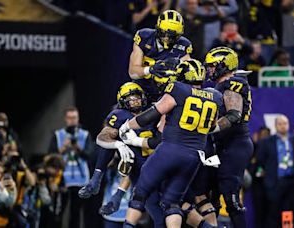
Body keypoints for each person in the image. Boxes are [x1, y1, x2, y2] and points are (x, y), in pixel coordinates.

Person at [119, 59, 222, 228]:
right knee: (171, 203)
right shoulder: (214, 96)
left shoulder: (178, 89)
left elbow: (151, 115)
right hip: (194, 157)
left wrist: (127, 125)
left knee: (140, 193)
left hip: (170, 150)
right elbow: (212, 126)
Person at [78, 82, 165, 227]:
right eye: (131, 98)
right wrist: (118, 144)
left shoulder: (152, 112)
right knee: (159, 214)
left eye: (137, 97)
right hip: (140, 170)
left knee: (171, 211)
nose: (136, 101)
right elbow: (103, 139)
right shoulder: (119, 116)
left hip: (158, 161)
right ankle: (96, 179)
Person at [205, 46, 254, 228]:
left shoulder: (232, 83)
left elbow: (233, 116)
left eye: (212, 65)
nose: (209, 69)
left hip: (235, 143)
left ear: (224, 65)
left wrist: (208, 129)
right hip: (225, 144)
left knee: (230, 198)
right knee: (212, 195)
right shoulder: (223, 83)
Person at [128, 9, 192, 102]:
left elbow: (189, 75)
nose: (166, 38)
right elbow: (132, 73)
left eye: (172, 36)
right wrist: (150, 69)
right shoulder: (144, 37)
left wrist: (180, 65)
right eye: (163, 33)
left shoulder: (183, 45)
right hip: (142, 87)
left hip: (165, 92)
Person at [48, 107, 94, 228]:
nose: (73, 121)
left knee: (76, 213)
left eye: (75, 118)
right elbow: (49, 157)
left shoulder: (85, 135)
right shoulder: (58, 135)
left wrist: (77, 147)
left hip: (80, 180)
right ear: (65, 119)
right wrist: (63, 148)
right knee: (58, 212)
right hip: (61, 179)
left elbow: (90, 155)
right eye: (70, 118)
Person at [256, 115, 294, 227]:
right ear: (275, 126)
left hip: (292, 182)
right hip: (274, 183)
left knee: (290, 213)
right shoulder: (267, 142)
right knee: (273, 214)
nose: (283, 126)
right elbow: (260, 161)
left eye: (285, 123)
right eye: (280, 124)